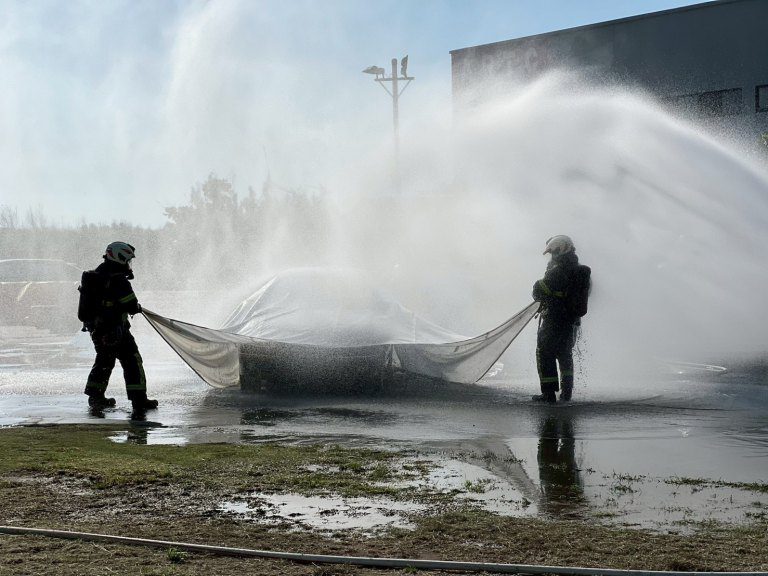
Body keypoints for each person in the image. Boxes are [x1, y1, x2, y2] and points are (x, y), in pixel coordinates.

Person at [81, 241, 158, 417]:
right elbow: (131, 305)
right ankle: (139, 400)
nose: (129, 264)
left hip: (98, 329)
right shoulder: (118, 280)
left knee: (104, 362)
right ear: (119, 257)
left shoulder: (95, 276)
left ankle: (95, 397)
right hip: (116, 330)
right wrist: (136, 307)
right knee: (132, 361)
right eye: (127, 260)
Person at [532, 235, 591, 403]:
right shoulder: (582, 271)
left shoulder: (557, 270)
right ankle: (567, 393)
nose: (552, 256)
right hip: (572, 322)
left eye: (553, 252)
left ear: (560, 250)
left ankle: (548, 394)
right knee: (565, 355)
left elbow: (538, 291)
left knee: (545, 354)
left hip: (553, 320)